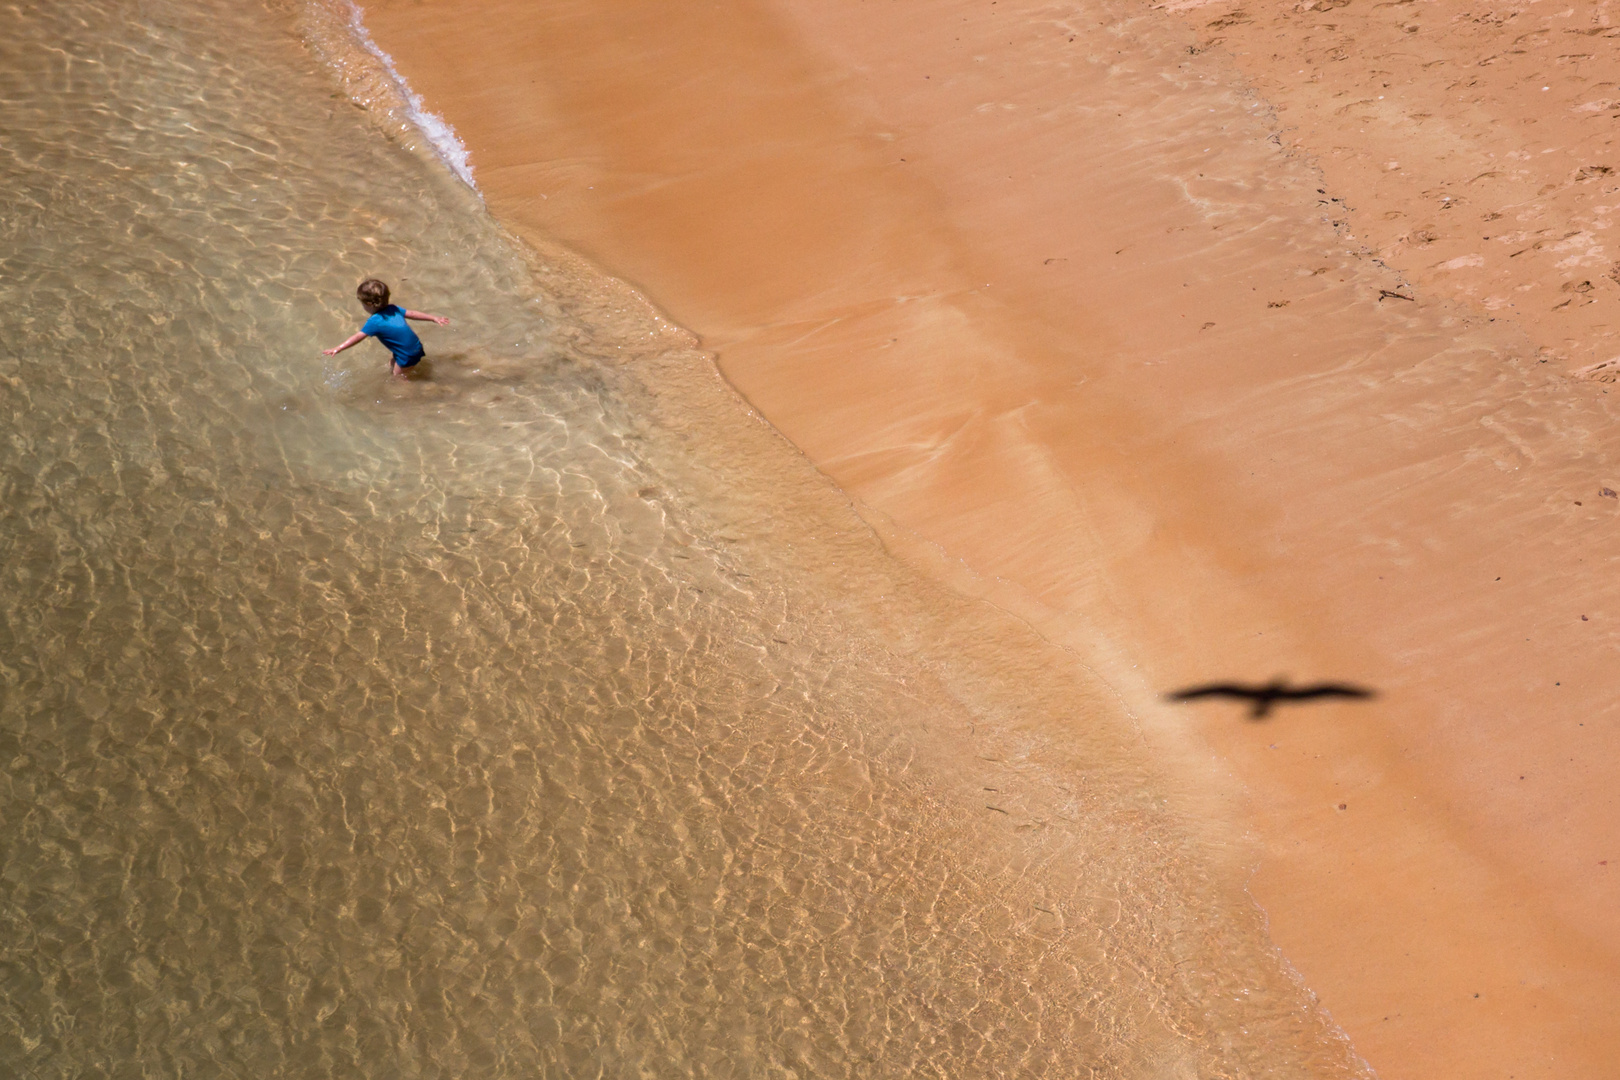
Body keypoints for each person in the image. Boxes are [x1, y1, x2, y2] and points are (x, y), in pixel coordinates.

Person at [323, 278, 450, 375]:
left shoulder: (375, 321)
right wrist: (433, 318)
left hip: (406, 354)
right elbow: (412, 313)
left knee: (398, 378)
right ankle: (405, 367)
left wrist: (338, 348)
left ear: (368, 304)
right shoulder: (393, 309)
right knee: (392, 362)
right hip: (415, 346)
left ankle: (408, 396)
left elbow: (358, 337)